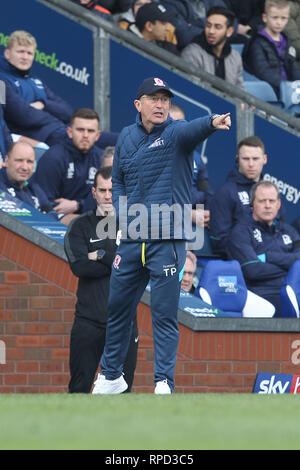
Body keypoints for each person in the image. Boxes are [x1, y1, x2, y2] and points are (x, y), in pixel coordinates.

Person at [91, 76, 231, 395]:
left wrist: (212, 122)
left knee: (164, 313)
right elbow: (120, 181)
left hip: (167, 238)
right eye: (153, 99)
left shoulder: (176, 132)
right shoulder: (127, 136)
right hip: (132, 237)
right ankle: (112, 376)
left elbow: (194, 128)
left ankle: (163, 381)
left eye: (165, 99)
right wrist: (124, 215)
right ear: (138, 104)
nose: (160, 104)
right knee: (117, 307)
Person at [64, 166, 138, 393]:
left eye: (112, 191)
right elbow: (79, 266)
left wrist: (101, 255)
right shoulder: (80, 226)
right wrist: (118, 263)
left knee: (122, 392)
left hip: (124, 323)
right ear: (93, 192)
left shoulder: (133, 225)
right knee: (80, 388)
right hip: (88, 321)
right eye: (103, 190)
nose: (108, 196)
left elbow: (137, 265)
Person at [0, 30, 118, 149]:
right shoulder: (2, 81)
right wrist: (52, 117)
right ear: (7, 53)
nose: (25, 57)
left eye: (29, 53)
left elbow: (67, 112)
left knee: (120, 139)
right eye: (20, 52)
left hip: (62, 130)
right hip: (44, 137)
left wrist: (44, 104)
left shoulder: (35, 81)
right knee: (100, 151)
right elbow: (23, 116)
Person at [227, 180, 300, 316]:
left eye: (271, 201)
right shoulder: (240, 231)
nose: (267, 206)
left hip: (293, 290)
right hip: (260, 294)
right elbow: (253, 270)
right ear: (251, 204)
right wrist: (291, 268)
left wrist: (269, 257)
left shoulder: (289, 231)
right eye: (262, 201)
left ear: (278, 204)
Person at [33, 108, 103, 223]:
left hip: (91, 216)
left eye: (90, 131)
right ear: (69, 132)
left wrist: (78, 205)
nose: (85, 135)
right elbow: (44, 202)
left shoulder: (101, 159)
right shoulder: (53, 158)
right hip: (56, 220)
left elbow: (107, 198)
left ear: (98, 135)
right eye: (80, 130)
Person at [209, 135, 268, 258]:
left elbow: (279, 231)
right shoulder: (225, 193)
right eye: (246, 159)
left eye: (255, 159)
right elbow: (219, 242)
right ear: (237, 159)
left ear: (264, 159)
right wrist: (254, 255)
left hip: (270, 256)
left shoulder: (270, 192)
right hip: (243, 261)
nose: (251, 164)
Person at [242, 0, 300, 98]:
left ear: (288, 19)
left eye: (283, 18)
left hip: (290, 93)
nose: (279, 22)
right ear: (265, 17)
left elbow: (293, 67)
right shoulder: (257, 42)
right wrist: (286, 86)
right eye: (275, 17)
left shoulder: (286, 41)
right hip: (269, 94)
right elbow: (263, 71)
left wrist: (296, 85)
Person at [181, 6, 245, 90]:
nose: (211, 31)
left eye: (217, 27)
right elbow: (192, 91)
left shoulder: (235, 57)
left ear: (229, 32)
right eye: (208, 25)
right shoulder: (192, 53)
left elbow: (240, 94)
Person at [0, 141, 59, 218]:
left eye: (29, 162)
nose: (25, 167)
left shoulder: (34, 188)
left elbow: (52, 214)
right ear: (6, 161)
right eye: (19, 160)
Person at [159, 0, 232, 49]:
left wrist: (194, 25)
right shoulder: (170, 3)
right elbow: (183, 36)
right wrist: (217, 29)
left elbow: (232, 22)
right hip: (186, 52)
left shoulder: (212, 1)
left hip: (212, 50)